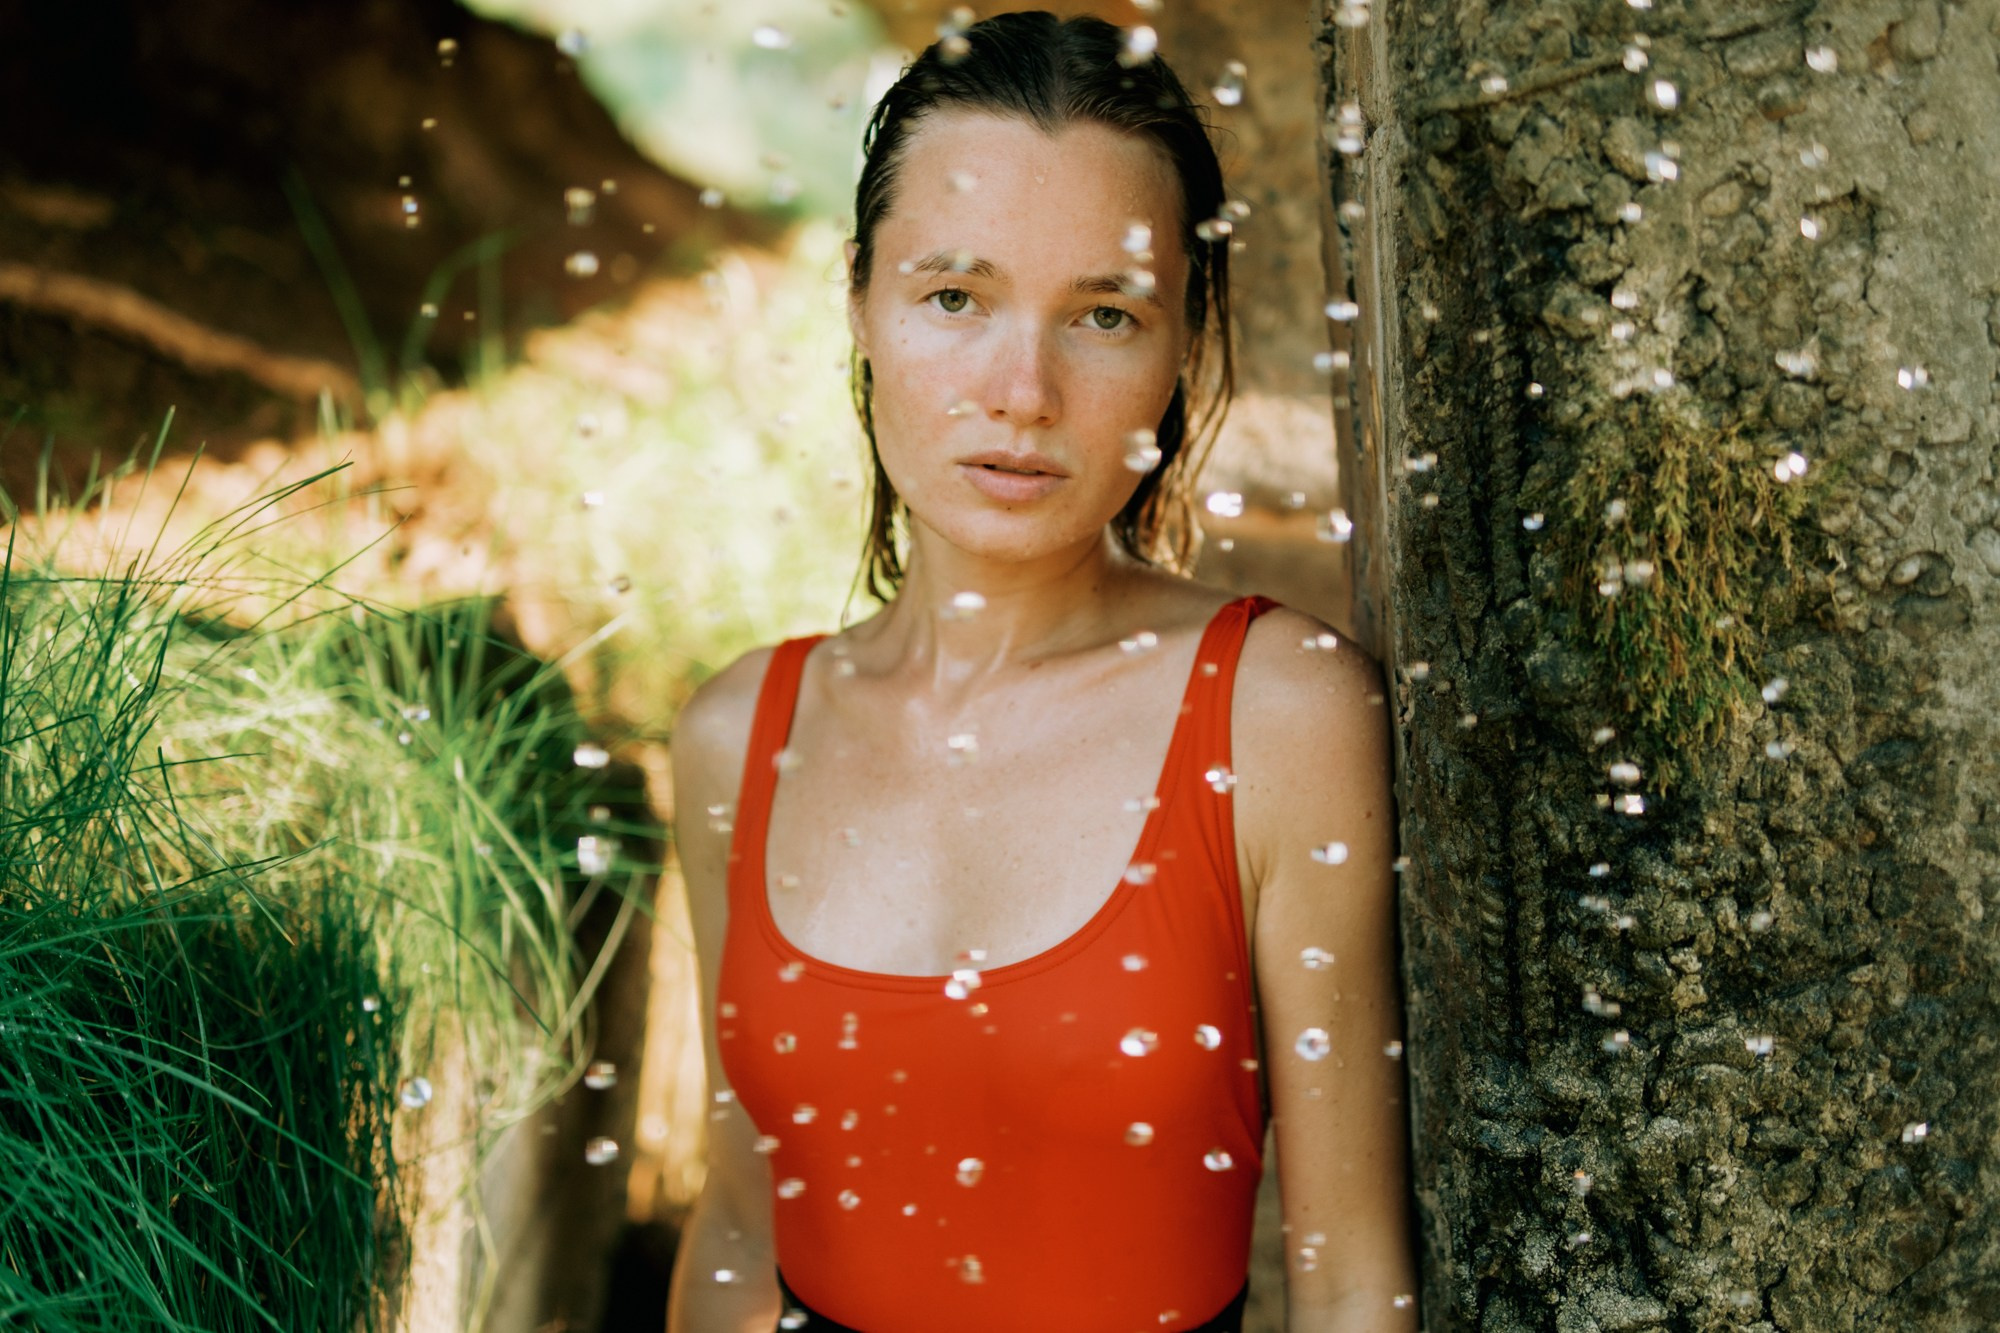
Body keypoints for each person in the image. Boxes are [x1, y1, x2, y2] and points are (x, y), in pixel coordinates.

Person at [665, 12, 1416, 1330]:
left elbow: (1354, 1283)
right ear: (860, 303)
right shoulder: (740, 736)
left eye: (1104, 315)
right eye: (954, 298)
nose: (1021, 389)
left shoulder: (1282, 718)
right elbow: (735, 1227)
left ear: (1183, 344)